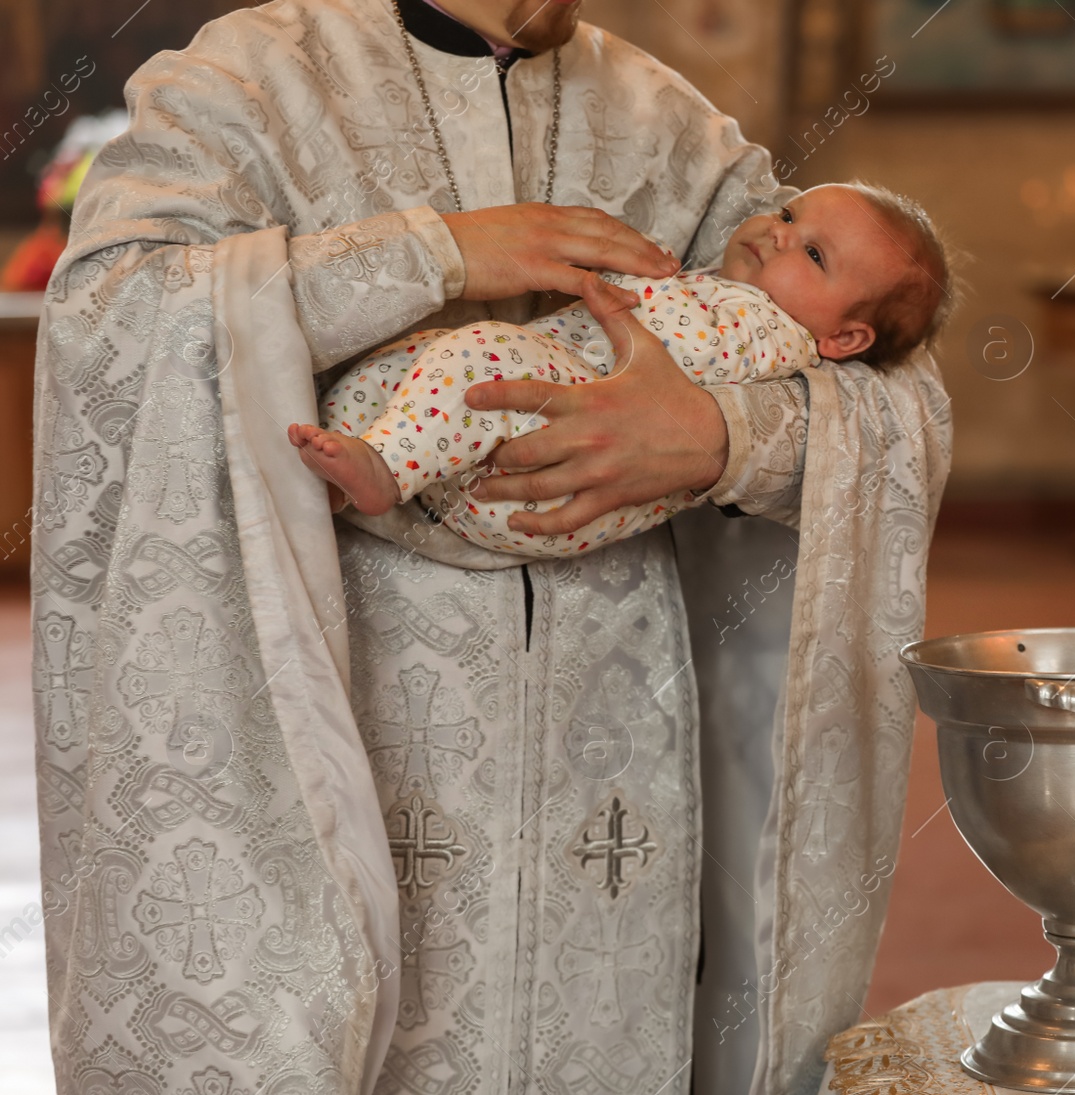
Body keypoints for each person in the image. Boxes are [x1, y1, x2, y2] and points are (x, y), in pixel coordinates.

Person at [30, 2, 950, 1095]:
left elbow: (898, 397)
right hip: (353, 709)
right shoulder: (253, 78)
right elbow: (107, 327)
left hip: (613, 763)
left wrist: (716, 437)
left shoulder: (670, 127)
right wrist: (430, 254)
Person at [288, 182, 952, 556]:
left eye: (811, 254)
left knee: (477, 351)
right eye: (786, 214)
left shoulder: (774, 332)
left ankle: (384, 469)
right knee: (419, 358)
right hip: (507, 458)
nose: (778, 232)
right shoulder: (729, 290)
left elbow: (698, 352)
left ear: (845, 337)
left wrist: (614, 282)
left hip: (560, 479)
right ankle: (357, 466)